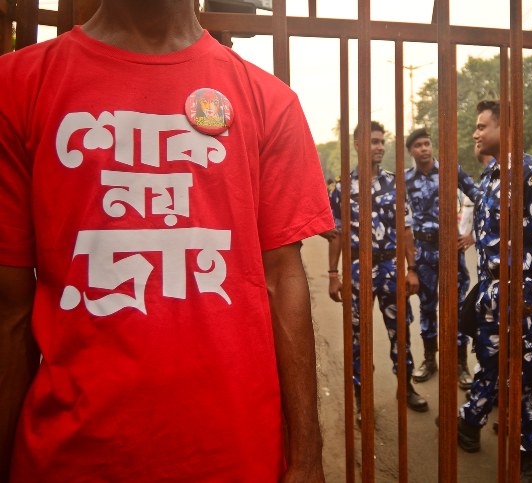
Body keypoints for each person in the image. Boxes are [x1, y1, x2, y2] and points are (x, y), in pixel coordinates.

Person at [0, 1, 330, 481]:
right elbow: (8, 309)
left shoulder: (268, 100)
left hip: (238, 456)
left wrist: (307, 459)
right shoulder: (16, 86)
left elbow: (284, 277)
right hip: (68, 458)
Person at [457, 100, 532, 480]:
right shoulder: (490, 175)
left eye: (482, 126)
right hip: (490, 294)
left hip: (524, 299)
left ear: (506, 129)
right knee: (489, 362)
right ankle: (470, 422)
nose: (475, 133)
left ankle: (527, 449)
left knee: (531, 376)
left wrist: (531, 299)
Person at [328, 121, 428, 422]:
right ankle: (362, 398)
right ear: (358, 144)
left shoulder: (394, 184)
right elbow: (337, 235)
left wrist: (412, 269)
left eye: (382, 141)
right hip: (359, 268)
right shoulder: (342, 189)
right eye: (373, 141)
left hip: (391, 267)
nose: (380, 146)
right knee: (358, 338)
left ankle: (405, 386)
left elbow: (406, 231)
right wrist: (333, 274)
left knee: (401, 332)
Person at [403, 128, 481, 388]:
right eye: (418, 145)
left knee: (458, 307)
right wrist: (410, 264)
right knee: (427, 308)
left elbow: (481, 198)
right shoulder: (405, 180)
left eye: (427, 144)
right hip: (424, 252)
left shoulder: (451, 170)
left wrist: (472, 234)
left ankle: (461, 365)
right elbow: (400, 222)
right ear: (411, 151)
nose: (424, 149)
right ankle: (429, 359)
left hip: (451, 250)